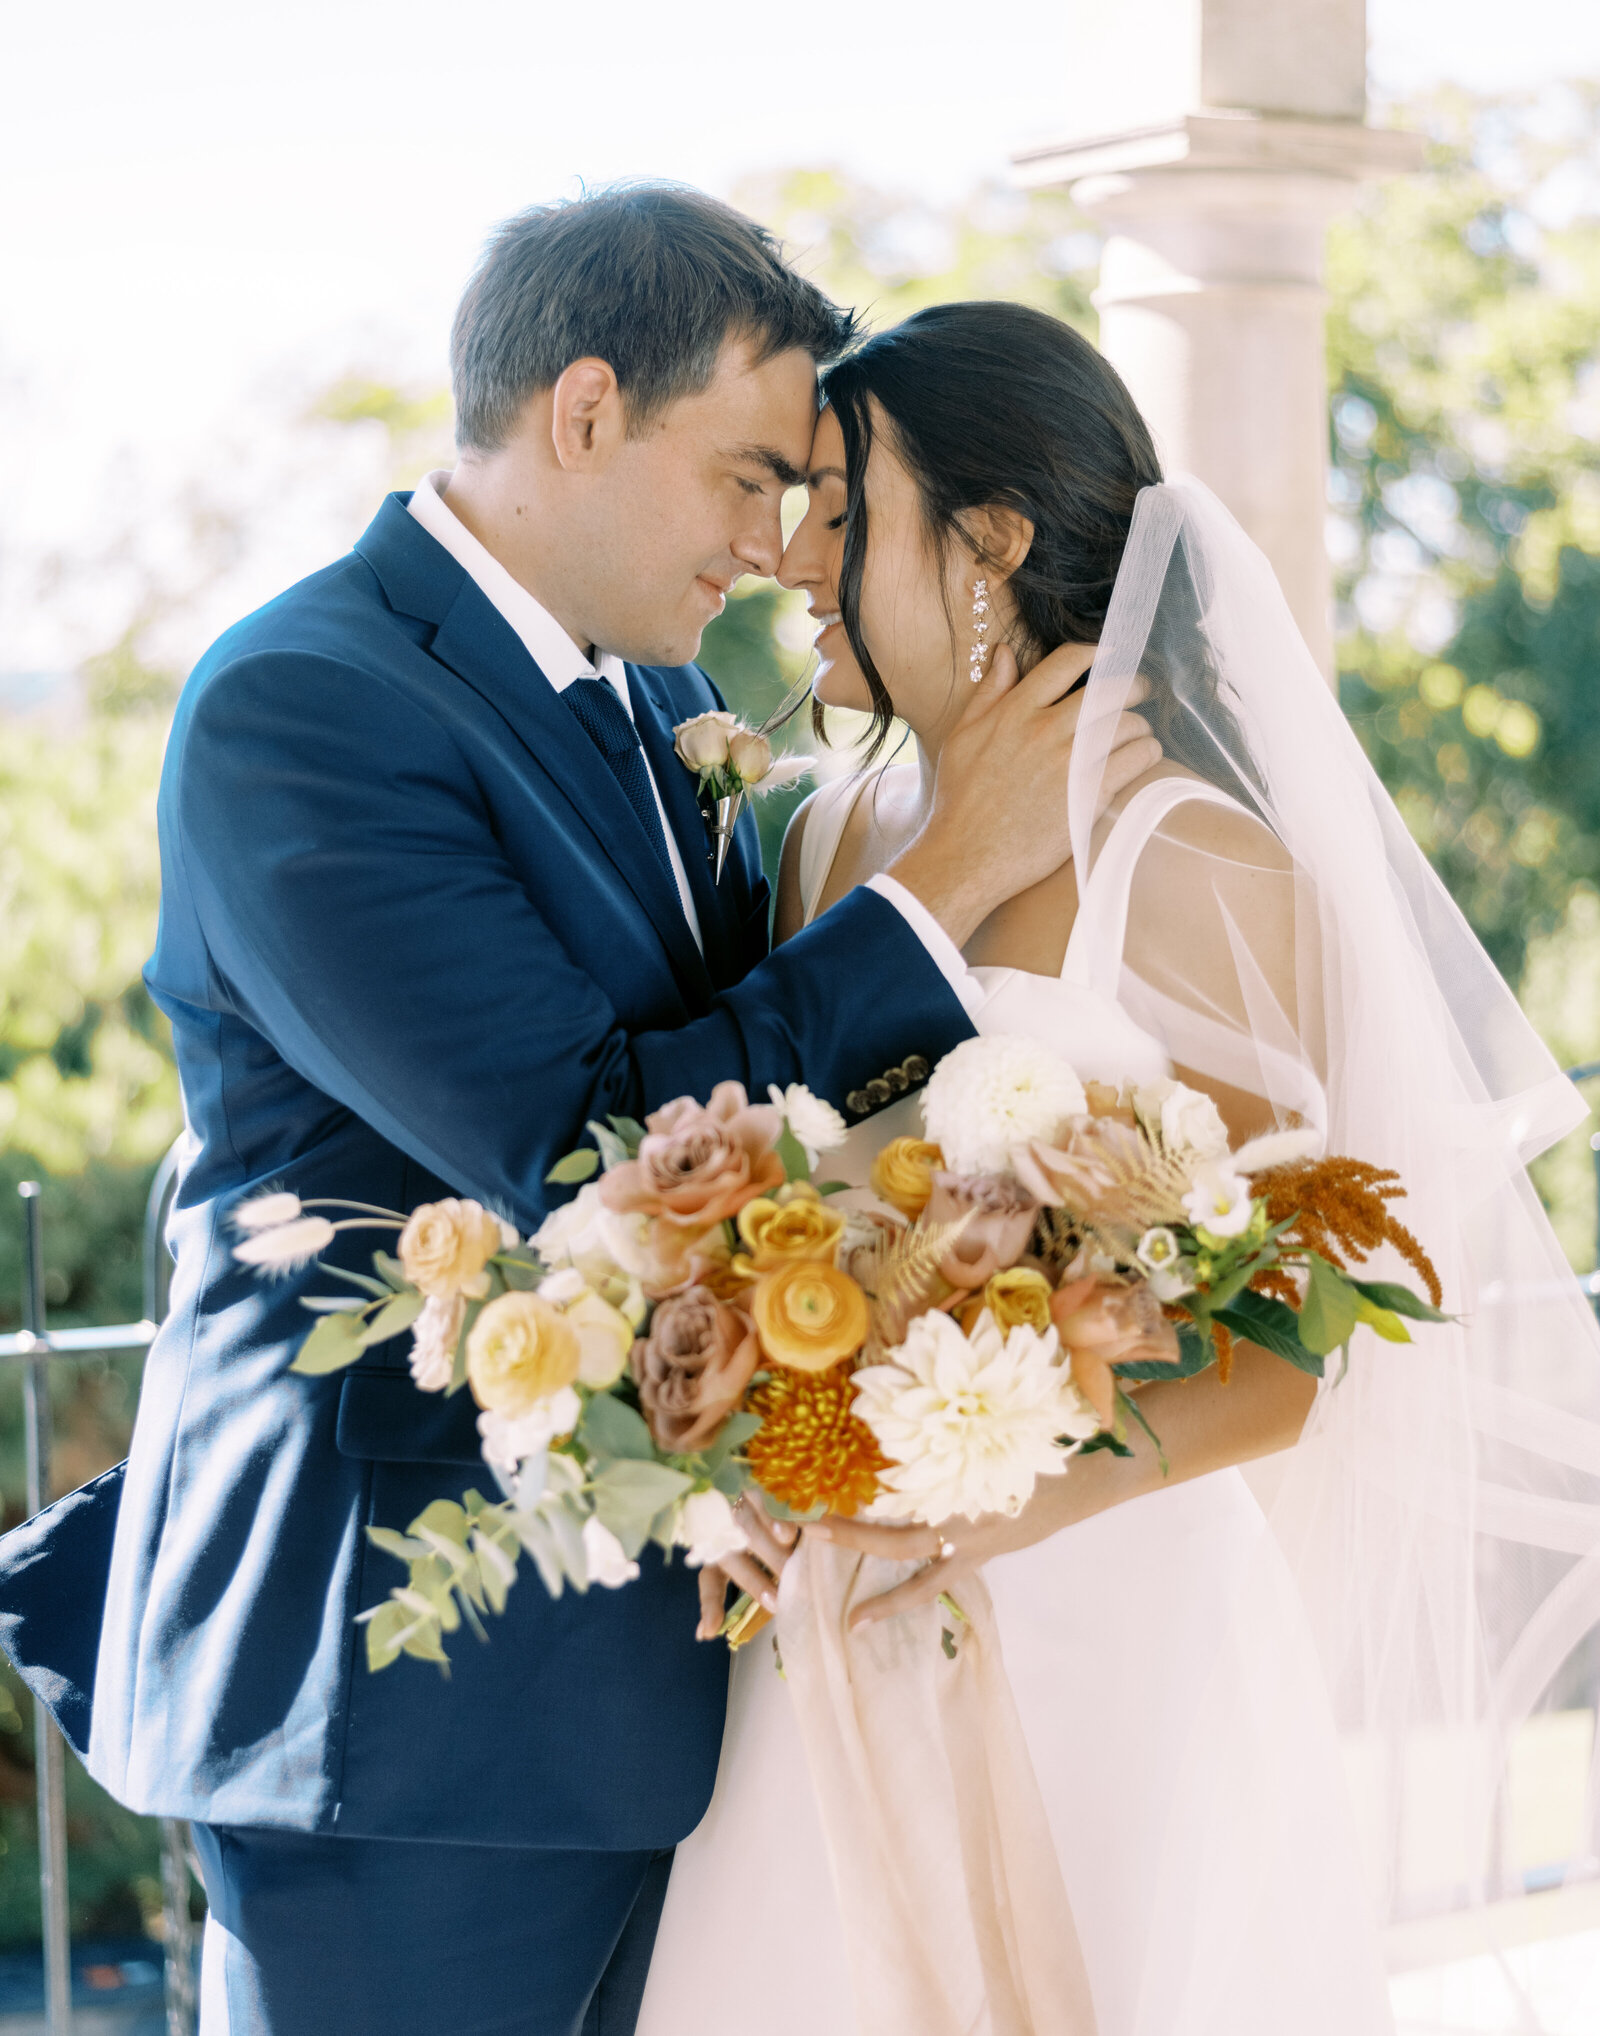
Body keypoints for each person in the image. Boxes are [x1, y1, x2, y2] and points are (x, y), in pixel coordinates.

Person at [0, 196, 1160, 2036]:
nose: (776, 546)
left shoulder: (673, 701)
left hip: (652, 1683)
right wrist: (949, 885)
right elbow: (581, 1139)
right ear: (589, 409)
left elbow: (734, 1124)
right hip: (405, 1709)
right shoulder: (306, 706)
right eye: (752, 477)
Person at [636, 301, 1600, 2036]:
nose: (792, 556)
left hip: (1114, 1618)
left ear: (991, 542)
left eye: (847, 513)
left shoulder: (1199, 863)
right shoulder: (818, 844)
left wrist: (999, 1499)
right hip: (826, 1614)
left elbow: (1309, 1337)